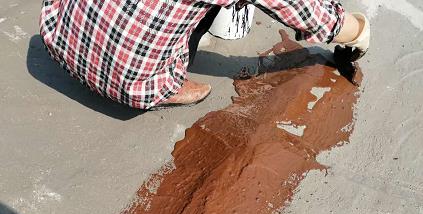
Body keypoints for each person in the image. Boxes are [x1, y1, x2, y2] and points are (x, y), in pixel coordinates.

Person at [39, 0, 370, 110]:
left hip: (56, 29)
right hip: (128, 80)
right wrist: (358, 31)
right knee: (234, 16)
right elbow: (310, 14)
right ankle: (163, 81)